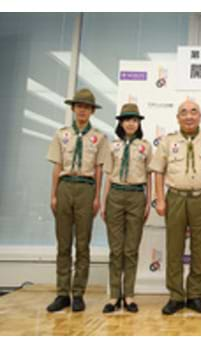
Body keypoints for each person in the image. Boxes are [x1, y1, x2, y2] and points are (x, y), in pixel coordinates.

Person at [150, 99, 201, 315]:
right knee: (174, 248)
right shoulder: (168, 141)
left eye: (194, 112)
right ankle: (175, 295)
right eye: (184, 112)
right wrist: (160, 199)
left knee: (200, 249)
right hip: (175, 198)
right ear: (178, 117)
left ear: (200, 116)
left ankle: (195, 295)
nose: (189, 116)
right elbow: (158, 170)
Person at [46, 88, 109, 312]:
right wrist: (53, 194)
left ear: (92, 111)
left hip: (86, 188)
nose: (82, 110)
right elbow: (57, 166)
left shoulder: (100, 137)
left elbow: (100, 169)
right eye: (79, 106)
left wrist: (97, 197)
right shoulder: (61, 134)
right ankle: (62, 292)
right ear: (73, 108)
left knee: (83, 244)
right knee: (63, 243)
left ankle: (78, 293)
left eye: (87, 107)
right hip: (65, 187)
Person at [100, 103, 152, 313]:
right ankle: (114, 296)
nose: (131, 123)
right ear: (120, 123)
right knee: (115, 249)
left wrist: (148, 201)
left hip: (136, 195)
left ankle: (129, 295)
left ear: (138, 123)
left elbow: (149, 176)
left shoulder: (145, 146)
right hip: (115, 194)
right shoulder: (112, 146)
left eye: (134, 120)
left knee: (131, 249)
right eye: (127, 119)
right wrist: (104, 202)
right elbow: (108, 177)